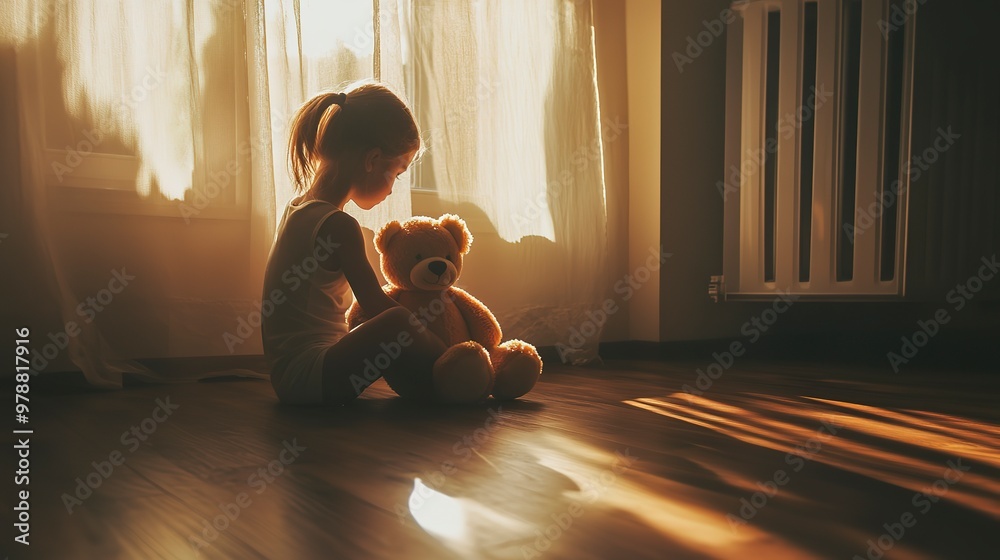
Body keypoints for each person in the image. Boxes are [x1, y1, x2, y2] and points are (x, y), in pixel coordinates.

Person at [261, 83, 447, 405]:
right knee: (397, 321)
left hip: (293, 377)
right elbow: (376, 306)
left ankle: (441, 379)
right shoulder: (338, 226)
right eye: (397, 173)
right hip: (311, 377)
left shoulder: (297, 207)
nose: (392, 189)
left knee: (395, 322)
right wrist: (438, 344)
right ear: (372, 159)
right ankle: (454, 366)